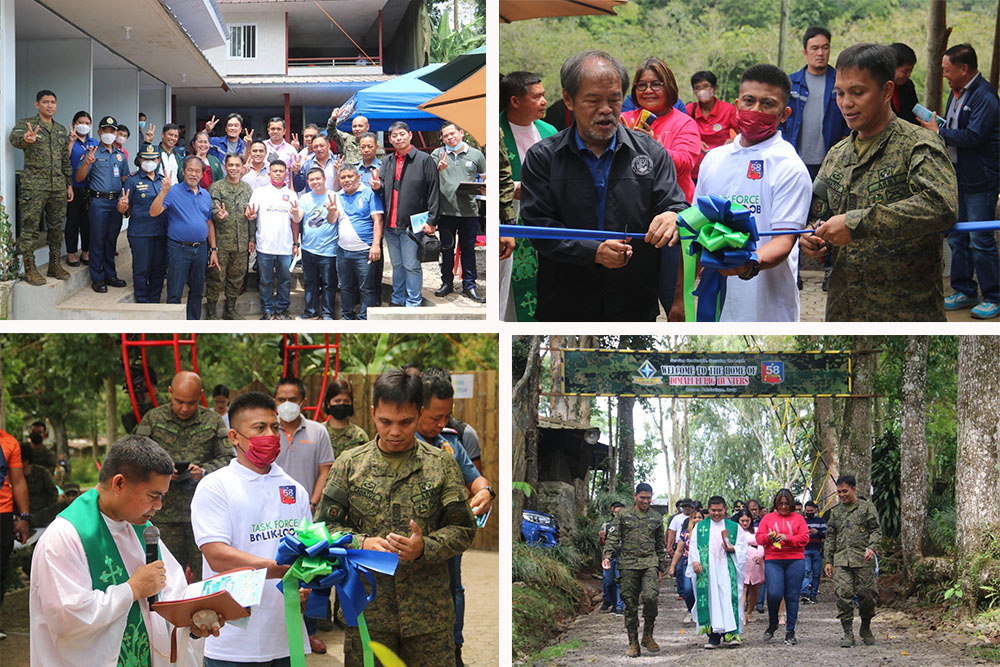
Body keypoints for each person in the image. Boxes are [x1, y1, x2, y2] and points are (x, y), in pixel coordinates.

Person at [315, 369, 476, 667]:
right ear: (374, 412)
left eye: (406, 422)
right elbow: (323, 527)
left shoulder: (441, 464)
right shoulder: (349, 465)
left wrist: (424, 547)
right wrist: (362, 543)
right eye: (385, 421)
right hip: (367, 609)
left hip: (429, 616)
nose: (395, 432)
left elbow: (464, 528)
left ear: (419, 413)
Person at [520, 50, 689, 321]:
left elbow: (676, 204)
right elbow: (538, 226)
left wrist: (674, 215)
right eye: (593, 100)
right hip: (565, 302)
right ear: (568, 99)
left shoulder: (651, 153)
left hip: (634, 301)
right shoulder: (544, 157)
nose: (606, 110)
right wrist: (593, 252)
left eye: (614, 100)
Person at [30, 435, 222, 665]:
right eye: (153, 496)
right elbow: (68, 619)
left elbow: (172, 594)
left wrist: (191, 623)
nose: (159, 506)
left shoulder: (143, 530)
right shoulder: (64, 537)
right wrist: (132, 589)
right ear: (119, 483)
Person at [800, 43, 959, 321]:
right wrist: (810, 235)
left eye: (858, 93)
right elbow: (818, 213)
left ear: (886, 91)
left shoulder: (919, 145)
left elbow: (941, 206)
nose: (846, 103)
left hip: (905, 314)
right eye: (840, 93)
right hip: (844, 311)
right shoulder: (837, 154)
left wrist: (857, 223)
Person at [674, 64, 812, 322]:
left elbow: (784, 241)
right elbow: (694, 232)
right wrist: (680, 300)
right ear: (737, 104)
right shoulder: (714, 159)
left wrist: (748, 265)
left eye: (768, 104)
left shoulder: (789, 167)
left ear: (784, 114)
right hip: (712, 304)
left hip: (766, 310)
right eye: (749, 101)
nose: (756, 110)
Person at [191, 391, 312, 666]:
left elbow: (308, 550)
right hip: (233, 642)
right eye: (259, 428)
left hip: (287, 637)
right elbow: (217, 555)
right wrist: (277, 568)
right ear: (234, 437)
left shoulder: (294, 488)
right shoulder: (215, 486)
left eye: (274, 427)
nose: (270, 435)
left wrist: (306, 583)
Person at [415, 371, 495, 667]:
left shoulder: (449, 443)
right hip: (407, 541)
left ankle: (454, 647)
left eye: (447, 416)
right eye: (436, 417)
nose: (443, 423)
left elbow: (475, 478)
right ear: (416, 409)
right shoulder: (399, 441)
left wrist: (485, 492)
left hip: (446, 537)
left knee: (453, 589)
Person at [920, 43, 1000, 320]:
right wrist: (940, 127)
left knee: (980, 238)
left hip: (980, 180)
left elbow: (974, 136)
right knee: (957, 236)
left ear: (964, 69)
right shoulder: (958, 93)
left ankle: (993, 296)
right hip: (958, 178)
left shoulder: (985, 96)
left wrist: (938, 133)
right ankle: (964, 290)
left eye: (947, 70)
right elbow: (956, 129)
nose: (945, 75)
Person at [619, 57, 700, 318]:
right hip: (634, 222)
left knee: (675, 299)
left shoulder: (684, 122)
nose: (648, 90)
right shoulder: (623, 119)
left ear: (670, 87)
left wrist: (653, 147)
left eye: (656, 84)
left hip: (674, 221)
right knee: (635, 298)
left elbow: (686, 162)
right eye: (641, 85)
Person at [133, 371, 232, 581]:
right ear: (170, 392)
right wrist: (162, 473)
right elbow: (136, 457)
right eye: (179, 401)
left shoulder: (213, 421)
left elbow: (229, 460)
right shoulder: (153, 419)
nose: (185, 408)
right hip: (164, 516)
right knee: (166, 578)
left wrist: (203, 471)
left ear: (201, 396)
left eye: (192, 403)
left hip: (204, 515)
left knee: (209, 576)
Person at [272, 376, 334, 655]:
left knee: (309, 573)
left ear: (303, 402)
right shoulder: (267, 433)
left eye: (293, 399)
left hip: (307, 514)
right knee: (276, 569)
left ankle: (309, 633)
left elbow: (325, 471)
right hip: (272, 519)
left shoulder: (318, 432)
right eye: (281, 399)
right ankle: (278, 631)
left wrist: (311, 503)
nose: (287, 404)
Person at [500, 70, 558, 322]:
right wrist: (515, 188)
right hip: (510, 216)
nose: (544, 101)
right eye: (537, 97)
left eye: (544, 95)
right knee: (508, 292)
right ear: (515, 101)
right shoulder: (498, 131)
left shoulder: (549, 131)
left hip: (545, 219)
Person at [7, 90, 73, 285]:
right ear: (37, 105)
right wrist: (26, 139)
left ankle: (54, 264)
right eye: (45, 102)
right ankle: (29, 268)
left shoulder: (60, 130)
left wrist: (68, 185)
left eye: (53, 102)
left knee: (55, 227)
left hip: (58, 187)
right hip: (34, 187)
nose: (50, 105)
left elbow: (65, 160)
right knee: (30, 228)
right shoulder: (27, 124)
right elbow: (15, 138)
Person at [371, 121, 439, 308]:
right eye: (394, 135)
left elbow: (434, 191)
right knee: (397, 265)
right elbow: (384, 187)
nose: (398, 138)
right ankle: (398, 299)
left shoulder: (424, 159)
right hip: (390, 224)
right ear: (390, 139)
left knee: (411, 265)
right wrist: (378, 187)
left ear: (410, 135)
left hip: (412, 224)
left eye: (402, 134)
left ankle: (413, 302)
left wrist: (432, 220)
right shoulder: (387, 160)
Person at [150, 155, 221, 320]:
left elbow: (209, 222)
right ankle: (174, 326)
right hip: (178, 248)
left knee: (197, 291)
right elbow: (153, 212)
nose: (193, 174)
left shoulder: (205, 195)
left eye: (197, 171)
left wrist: (214, 249)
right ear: (183, 172)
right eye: (190, 170)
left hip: (201, 248)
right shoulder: (173, 191)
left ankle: (192, 325)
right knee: (175, 292)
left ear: (202, 174)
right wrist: (163, 191)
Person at [602, 482, 666, 657]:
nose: (646, 501)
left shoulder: (656, 517)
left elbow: (660, 545)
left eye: (648, 498)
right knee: (629, 603)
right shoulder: (623, 515)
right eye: (642, 497)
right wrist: (607, 555)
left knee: (650, 597)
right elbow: (613, 537)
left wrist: (662, 567)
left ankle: (648, 635)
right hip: (628, 564)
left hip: (649, 563)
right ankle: (633, 642)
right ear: (635, 496)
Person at [782, 26, 849, 180]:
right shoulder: (791, 83)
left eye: (825, 48)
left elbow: (850, 114)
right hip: (795, 160)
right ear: (805, 52)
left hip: (831, 161)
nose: (820, 53)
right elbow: (780, 120)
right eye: (815, 48)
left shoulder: (840, 81)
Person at [431, 123, 487, 303]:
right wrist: (436, 171)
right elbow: (429, 181)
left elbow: (487, 177)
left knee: (468, 250)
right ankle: (446, 282)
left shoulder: (476, 155)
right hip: (445, 211)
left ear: (461, 133)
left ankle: (469, 286)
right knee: (446, 249)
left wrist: (485, 188)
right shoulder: (437, 154)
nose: (449, 138)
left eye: (452, 134)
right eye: (445, 136)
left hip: (469, 211)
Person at [824, 474, 882, 647]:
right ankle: (847, 633)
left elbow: (876, 530)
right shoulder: (835, 512)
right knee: (843, 595)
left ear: (854, 489)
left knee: (867, 596)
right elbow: (831, 537)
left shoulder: (866, 508)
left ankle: (865, 626)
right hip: (841, 560)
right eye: (839, 492)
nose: (842, 495)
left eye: (845, 491)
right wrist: (828, 560)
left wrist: (872, 547)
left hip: (863, 560)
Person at [73, 115, 129, 293]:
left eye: (113, 131)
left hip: (116, 203)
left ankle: (110, 275)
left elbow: (125, 179)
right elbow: (79, 177)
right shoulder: (92, 152)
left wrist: (126, 202)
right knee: (97, 240)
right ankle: (97, 278)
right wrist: (86, 163)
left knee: (111, 240)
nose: (109, 133)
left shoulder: (120, 156)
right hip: (98, 202)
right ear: (99, 132)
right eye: (106, 130)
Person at [245, 159, 302, 320]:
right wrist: (250, 215)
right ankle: (268, 310)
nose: (277, 174)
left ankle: (282, 310)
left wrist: (296, 243)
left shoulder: (291, 195)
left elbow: (295, 221)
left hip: (285, 246)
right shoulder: (260, 192)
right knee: (265, 280)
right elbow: (250, 214)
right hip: (265, 246)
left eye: (281, 171)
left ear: (286, 173)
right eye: (274, 171)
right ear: (269, 173)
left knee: (284, 280)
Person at [687, 497, 747, 649]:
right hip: (709, 570)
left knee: (728, 598)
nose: (716, 513)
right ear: (708, 509)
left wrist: (733, 549)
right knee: (711, 600)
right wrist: (695, 561)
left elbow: (742, 548)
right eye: (713, 510)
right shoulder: (700, 528)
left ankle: (731, 634)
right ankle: (713, 636)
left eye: (719, 510)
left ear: (725, 509)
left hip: (727, 568)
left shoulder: (734, 527)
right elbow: (693, 547)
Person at [755, 488, 810, 645]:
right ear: (776, 504)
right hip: (774, 559)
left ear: (791, 504)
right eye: (781, 504)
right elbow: (759, 538)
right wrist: (769, 537)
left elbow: (804, 538)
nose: (784, 507)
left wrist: (787, 539)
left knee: (792, 597)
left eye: (787, 504)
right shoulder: (768, 518)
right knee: (773, 593)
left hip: (795, 559)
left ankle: (790, 632)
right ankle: (773, 623)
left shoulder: (798, 519)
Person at [206, 152, 254, 319]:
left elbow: (252, 215)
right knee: (216, 278)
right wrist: (218, 214)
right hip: (221, 242)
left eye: (237, 165)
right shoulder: (217, 187)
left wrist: (251, 239)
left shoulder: (247, 188)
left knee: (236, 277)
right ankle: (211, 312)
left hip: (241, 242)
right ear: (225, 167)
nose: (234, 168)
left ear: (242, 168)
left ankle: (230, 310)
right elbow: (212, 210)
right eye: (230, 165)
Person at [334, 164, 383, 320]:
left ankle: (364, 319)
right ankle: (347, 317)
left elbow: (378, 220)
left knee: (367, 288)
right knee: (345, 287)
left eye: (350, 176)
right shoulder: (337, 196)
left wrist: (376, 245)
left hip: (364, 250)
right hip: (343, 251)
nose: (347, 180)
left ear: (358, 177)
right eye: (343, 177)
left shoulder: (369, 193)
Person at [121, 143, 167, 304]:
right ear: (140, 160)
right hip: (140, 232)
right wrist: (123, 205)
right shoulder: (132, 180)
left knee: (159, 268)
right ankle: (142, 299)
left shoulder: (163, 181)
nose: (149, 161)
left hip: (161, 231)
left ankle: (154, 299)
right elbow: (124, 207)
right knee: (141, 268)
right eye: (146, 158)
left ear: (158, 160)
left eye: (153, 158)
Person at [297, 166, 340, 320]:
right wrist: (295, 214)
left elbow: (332, 220)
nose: (315, 182)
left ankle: (328, 314)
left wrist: (331, 211)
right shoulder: (304, 198)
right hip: (308, 249)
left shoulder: (333, 196)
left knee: (329, 284)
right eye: (312, 179)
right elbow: (298, 218)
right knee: (310, 283)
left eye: (317, 178)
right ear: (308, 182)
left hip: (328, 250)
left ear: (324, 179)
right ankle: (311, 312)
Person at [0, 428, 30, 641]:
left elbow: (17, 481)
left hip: (2, 514)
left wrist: (24, 516)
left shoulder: (9, 442)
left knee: (1, 569)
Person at [687, 71, 739, 179]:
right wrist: (695, 141)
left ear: (714, 88)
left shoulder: (728, 110)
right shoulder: (689, 110)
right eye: (697, 88)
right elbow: (682, 134)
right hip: (695, 170)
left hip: (722, 166)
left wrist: (733, 141)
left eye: (705, 86)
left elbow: (744, 134)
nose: (701, 91)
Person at [66, 110, 97, 267]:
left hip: (89, 188)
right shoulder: (69, 141)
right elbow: (64, 160)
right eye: (80, 123)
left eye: (86, 123)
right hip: (72, 187)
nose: (83, 126)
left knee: (87, 223)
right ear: (74, 124)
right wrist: (71, 142)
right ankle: (71, 253)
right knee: (72, 221)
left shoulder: (94, 143)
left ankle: (85, 252)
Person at [667, 506, 704, 623]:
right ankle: (690, 611)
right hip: (687, 564)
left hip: (704, 565)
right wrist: (672, 566)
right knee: (687, 590)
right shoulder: (685, 534)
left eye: (700, 517)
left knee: (702, 590)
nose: (697, 520)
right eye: (695, 518)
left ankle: (703, 613)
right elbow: (679, 550)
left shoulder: (707, 532)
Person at [322, 378, 369, 459]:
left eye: (346, 401)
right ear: (328, 403)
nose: (342, 404)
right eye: (337, 401)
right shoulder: (319, 432)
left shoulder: (359, 436)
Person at [599, 501, 626, 613]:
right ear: (612, 511)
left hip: (623, 557)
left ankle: (619, 606)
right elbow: (602, 543)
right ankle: (612, 602)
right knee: (609, 582)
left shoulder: (627, 525)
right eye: (616, 512)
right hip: (609, 557)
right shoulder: (607, 525)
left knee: (620, 581)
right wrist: (601, 537)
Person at [739, 509, 765, 624]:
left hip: (755, 561)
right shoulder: (736, 531)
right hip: (741, 560)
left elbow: (761, 544)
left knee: (754, 588)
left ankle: (749, 612)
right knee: (743, 587)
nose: (745, 523)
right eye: (742, 521)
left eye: (747, 520)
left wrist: (759, 556)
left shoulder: (756, 530)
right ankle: (741, 615)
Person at [800, 500, 827, 603]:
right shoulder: (802, 521)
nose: (809, 512)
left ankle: (813, 595)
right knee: (806, 571)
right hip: (805, 549)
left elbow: (826, 534)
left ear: (815, 510)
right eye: (807, 511)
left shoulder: (820, 521)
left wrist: (817, 532)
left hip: (817, 550)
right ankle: (805, 593)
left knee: (816, 573)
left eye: (811, 510)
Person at [666, 498, 693, 600]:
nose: (687, 509)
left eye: (689, 507)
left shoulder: (694, 517)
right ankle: (681, 591)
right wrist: (669, 545)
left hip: (691, 545)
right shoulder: (676, 518)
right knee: (679, 568)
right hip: (680, 544)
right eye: (685, 507)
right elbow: (671, 532)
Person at [143, 122, 185, 186]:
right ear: (162, 134)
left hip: (174, 192)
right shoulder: (155, 152)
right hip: (158, 192)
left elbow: (181, 177)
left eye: (176, 136)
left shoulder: (177, 156)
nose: (173, 138)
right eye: (170, 135)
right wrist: (147, 143)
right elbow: (138, 161)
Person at [889, 43, 919, 125]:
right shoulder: (876, 88)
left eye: (911, 71)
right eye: (905, 71)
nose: (909, 75)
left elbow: (914, 116)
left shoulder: (908, 86)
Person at [262, 117, 298, 185]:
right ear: (268, 130)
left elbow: (292, 174)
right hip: (264, 188)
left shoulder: (291, 150)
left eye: (278, 129)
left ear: (284, 131)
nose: (275, 131)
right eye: (273, 129)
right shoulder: (261, 147)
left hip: (284, 190)